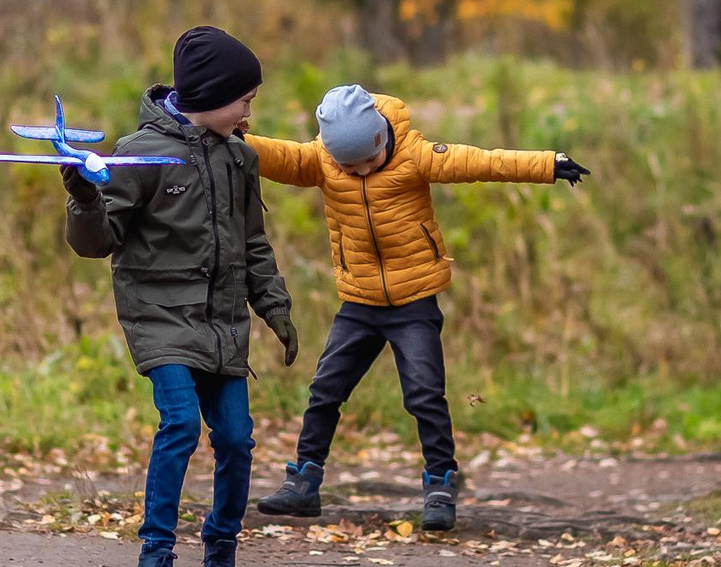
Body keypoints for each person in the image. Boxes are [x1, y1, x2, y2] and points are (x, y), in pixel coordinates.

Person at [247, 84, 584, 531]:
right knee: (324, 390)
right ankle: (304, 482)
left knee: (424, 395)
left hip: (414, 304)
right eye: (351, 166)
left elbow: (480, 161)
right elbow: (271, 154)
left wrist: (547, 164)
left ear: (382, 139)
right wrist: (216, 133)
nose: (363, 171)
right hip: (358, 302)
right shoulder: (322, 162)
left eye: (370, 160)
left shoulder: (415, 155)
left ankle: (441, 485)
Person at [62, 26, 298, 567]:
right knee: (180, 425)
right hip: (158, 315)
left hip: (223, 324)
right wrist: (84, 197)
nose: (249, 111)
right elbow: (97, 242)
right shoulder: (142, 154)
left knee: (238, 440)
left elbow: (254, 243)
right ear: (212, 97)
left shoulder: (242, 159)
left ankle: (221, 552)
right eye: (244, 99)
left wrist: (274, 306)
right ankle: (155, 556)